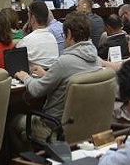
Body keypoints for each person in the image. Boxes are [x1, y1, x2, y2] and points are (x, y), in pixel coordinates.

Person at [10, 12, 101, 153]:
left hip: (54, 128)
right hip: (85, 126)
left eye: (64, 35)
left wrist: (24, 77)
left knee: (13, 121)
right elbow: (70, 77)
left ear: (69, 34)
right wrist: (47, 74)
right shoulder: (95, 58)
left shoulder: (64, 62)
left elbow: (36, 90)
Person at [16, 1, 59, 69]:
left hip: (34, 78)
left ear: (32, 19)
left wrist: (25, 37)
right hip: (53, 77)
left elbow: (18, 65)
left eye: (28, 17)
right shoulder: (53, 37)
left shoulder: (26, 41)